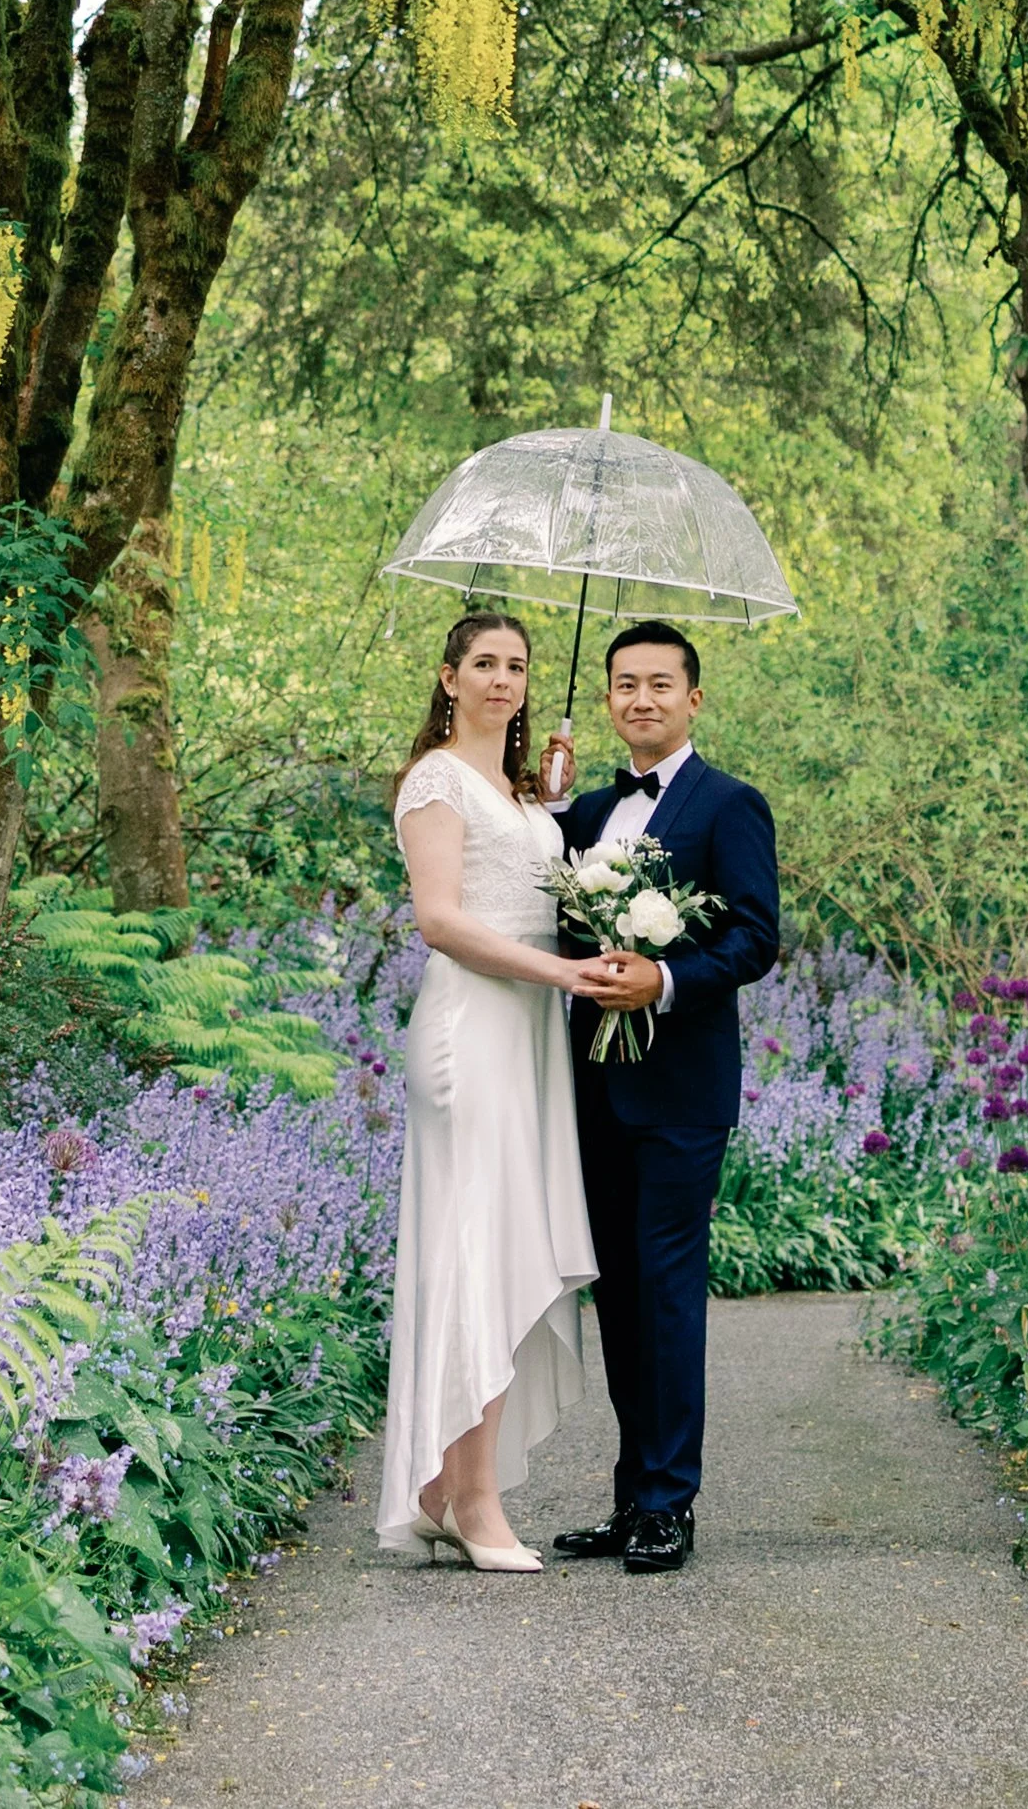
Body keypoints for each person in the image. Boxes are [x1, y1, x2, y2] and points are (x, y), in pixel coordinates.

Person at [375, 611, 627, 1572]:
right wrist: (561, 975)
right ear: (447, 678)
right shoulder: (436, 780)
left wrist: (548, 808)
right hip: (471, 1029)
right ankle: (473, 1500)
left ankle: (446, 1486)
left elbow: (527, 884)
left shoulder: (518, 792)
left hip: (525, 1036)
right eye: (483, 664)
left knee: (503, 1239)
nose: (502, 680)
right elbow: (440, 920)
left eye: (516, 666)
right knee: (474, 1246)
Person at [551, 618, 781, 1574]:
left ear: (694, 698)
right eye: (624, 685)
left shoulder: (730, 804)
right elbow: (549, 918)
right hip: (593, 1085)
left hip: (681, 1090)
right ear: (607, 700)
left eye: (659, 684)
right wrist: (546, 802)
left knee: (669, 1291)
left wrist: (666, 978)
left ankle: (670, 1505)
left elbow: (756, 938)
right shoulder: (586, 815)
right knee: (619, 1297)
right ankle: (630, 1495)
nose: (640, 699)